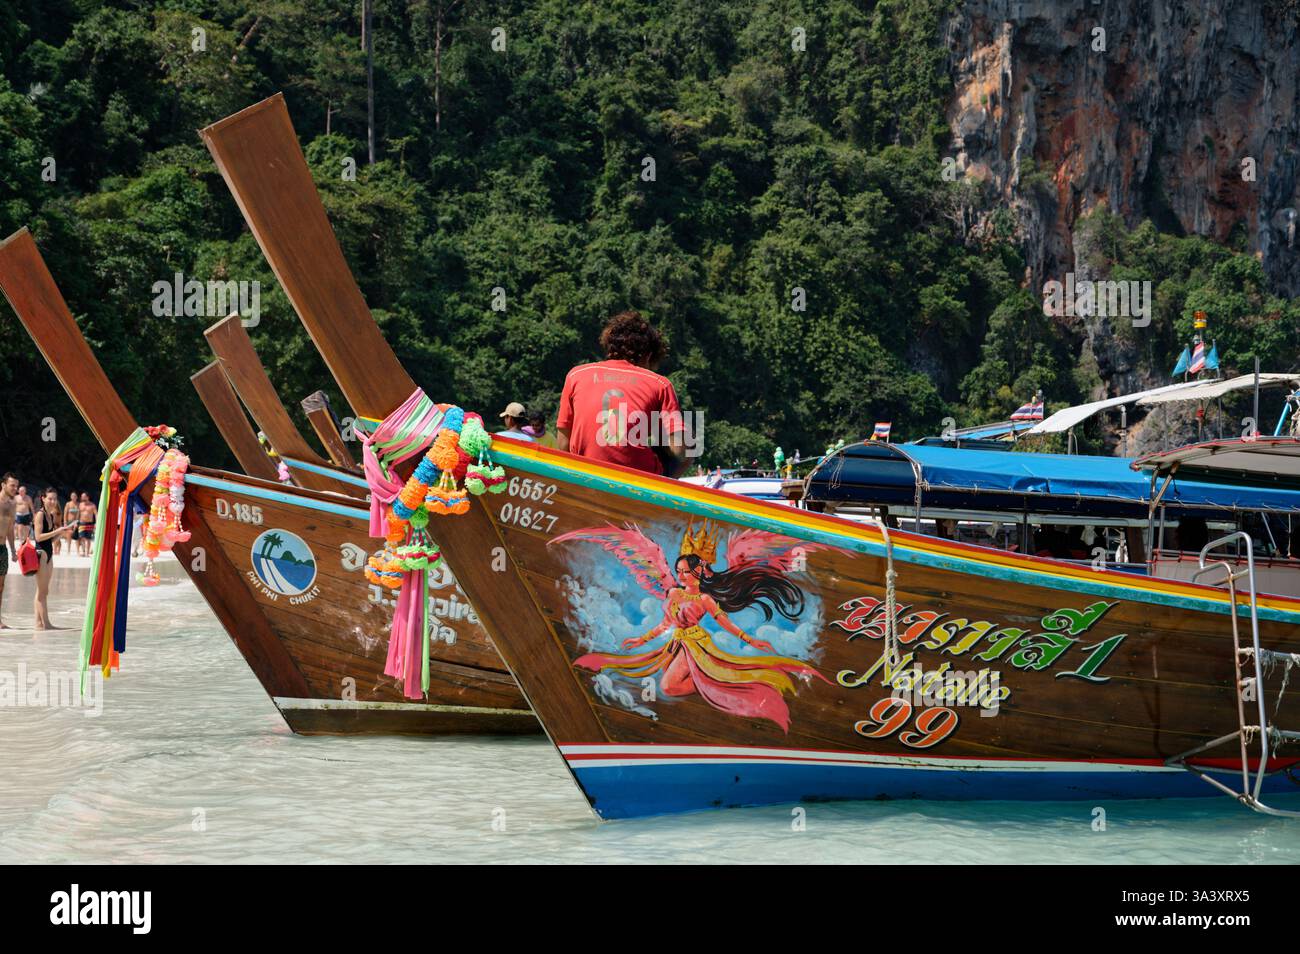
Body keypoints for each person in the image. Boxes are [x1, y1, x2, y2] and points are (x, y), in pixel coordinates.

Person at [556, 310, 685, 476]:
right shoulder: (660, 384)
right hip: (636, 477)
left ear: (610, 346)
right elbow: (679, 449)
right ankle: (654, 498)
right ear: (648, 355)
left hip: (583, 473)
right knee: (690, 447)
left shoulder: (576, 375)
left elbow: (563, 444)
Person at [33, 488, 76, 630]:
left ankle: (38, 623)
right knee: (42, 591)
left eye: (54, 499)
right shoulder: (39, 515)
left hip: (49, 553)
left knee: (44, 591)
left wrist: (63, 532)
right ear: (43, 498)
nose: (52, 501)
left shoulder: (50, 516)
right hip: (40, 554)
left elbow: (50, 539)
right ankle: (47, 624)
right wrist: (57, 531)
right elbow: (38, 537)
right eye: (50, 498)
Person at [0, 473, 18, 629]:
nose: (15, 488)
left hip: (2, 549)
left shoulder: (13, 504)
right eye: (12, 485)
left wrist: (13, 550)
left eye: (16, 486)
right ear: (3, 485)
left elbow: (11, 529)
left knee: (1, 586)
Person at [77, 492, 97, 557]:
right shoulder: (80, 504)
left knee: (88, 539)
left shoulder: (92, 505)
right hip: (81, 522)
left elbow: (96, 514)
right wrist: (76, 522)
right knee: (81, 537)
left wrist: (96, 522)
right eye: (82, 496)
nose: (82, 498)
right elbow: (78, 514)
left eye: (84, 496)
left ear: (87, 497)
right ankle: (83, 551)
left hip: (89, 523)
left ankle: (87, 553)